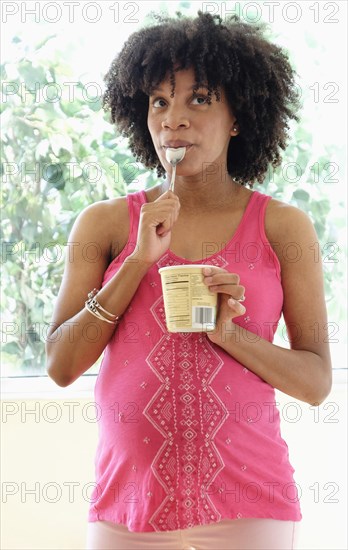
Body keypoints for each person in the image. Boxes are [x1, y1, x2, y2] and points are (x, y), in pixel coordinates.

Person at [46, 11, 332, 550]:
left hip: (252, 502)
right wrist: (136, 260)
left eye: (198, 98)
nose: (173, 119)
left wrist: (231, 335)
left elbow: (316, 383)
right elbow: (61, 366)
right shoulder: (105, 224)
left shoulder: (283, 227)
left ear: (239, 117)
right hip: (127, 506)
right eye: (159, 101)